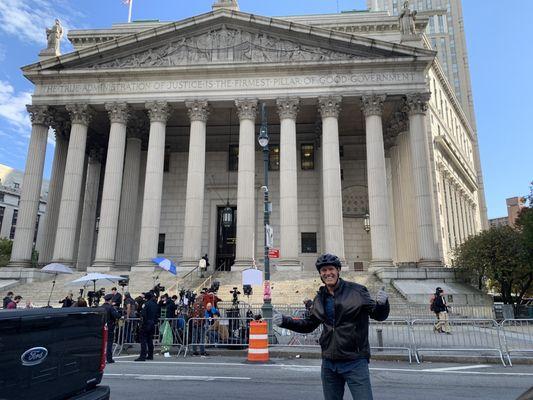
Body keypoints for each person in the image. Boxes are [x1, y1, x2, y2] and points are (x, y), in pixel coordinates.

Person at [273, 253, 389, 400]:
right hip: (329, 363)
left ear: (338, 270)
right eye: (324, 271)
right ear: (320, 274)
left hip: (355, 361)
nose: (328, 273)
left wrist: (383, 305)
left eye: (331, 269)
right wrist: (285, 321)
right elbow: (309, 324)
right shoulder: (320, 298)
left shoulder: (357, 291)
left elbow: (378, 315)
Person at [135, 292, 159, 361]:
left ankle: (142, 356)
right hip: (153, 323)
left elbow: (143, 314)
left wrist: (141, 323)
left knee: (143, 340)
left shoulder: (146, 304)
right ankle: (150, 355)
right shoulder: (155, 304)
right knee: (150, 340)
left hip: (146, 323)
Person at [102, 294, 120, 364]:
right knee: (109, 343)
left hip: (102, 327)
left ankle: (101, 358)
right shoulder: (110, 307)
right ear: (110, 300)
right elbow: (116, 315)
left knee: (102, 343)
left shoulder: (101, 307)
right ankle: (109, 358)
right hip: (109, 327)